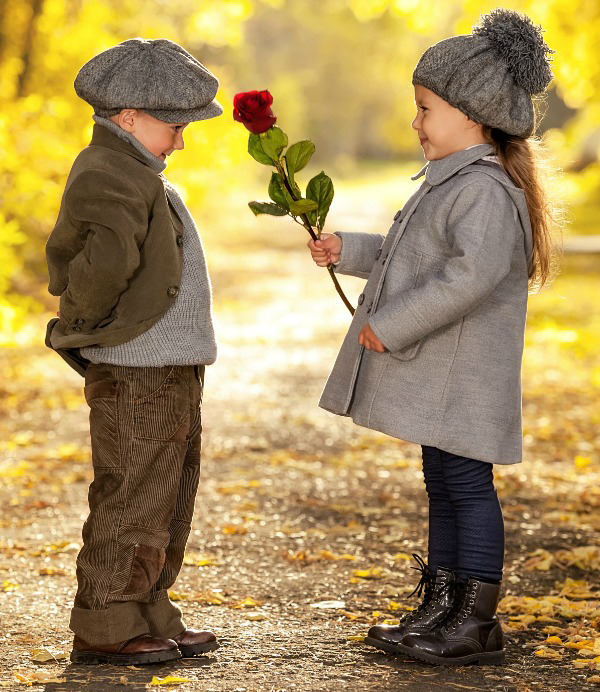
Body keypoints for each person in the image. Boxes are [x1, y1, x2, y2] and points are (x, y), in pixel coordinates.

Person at [308, 9, 556, 666]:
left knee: (466, 485)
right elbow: (409, 255)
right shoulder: (456, 181)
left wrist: (388, 326)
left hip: (465, 377)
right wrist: (348, 248)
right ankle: (442, 604)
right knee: (443, 479)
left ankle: (474, 621)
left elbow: (468, 276)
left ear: (471, 113)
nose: (415, 123)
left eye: (424, 109)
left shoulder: (484, 191)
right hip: (445, 380)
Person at [45, 38, 223, 666]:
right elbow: (102, 264)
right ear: (128, 117)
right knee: (132, 497)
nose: (181, 141)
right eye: (174, 126)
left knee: (169, 494)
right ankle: (105, 624)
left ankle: (149, 611)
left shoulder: (138, 172)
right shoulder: (107, 172)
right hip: (139, 370)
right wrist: (86, 329)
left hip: (167, 368)